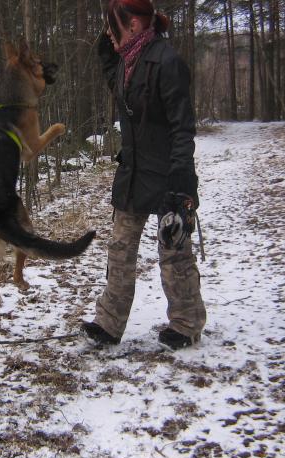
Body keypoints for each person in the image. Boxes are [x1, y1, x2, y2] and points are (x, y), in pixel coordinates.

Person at [82, 0, 206, 350]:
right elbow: (108, 64)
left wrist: (180, 185)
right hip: (133, 174)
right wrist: (111, 23)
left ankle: (186, 324)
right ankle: (108, 324)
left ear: (134, 25)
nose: (108, 33)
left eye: (114, 25)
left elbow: (183, 128)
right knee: (120, 249)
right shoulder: (125, 64)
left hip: (170, 176)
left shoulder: (167, 62)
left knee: (174, 254)